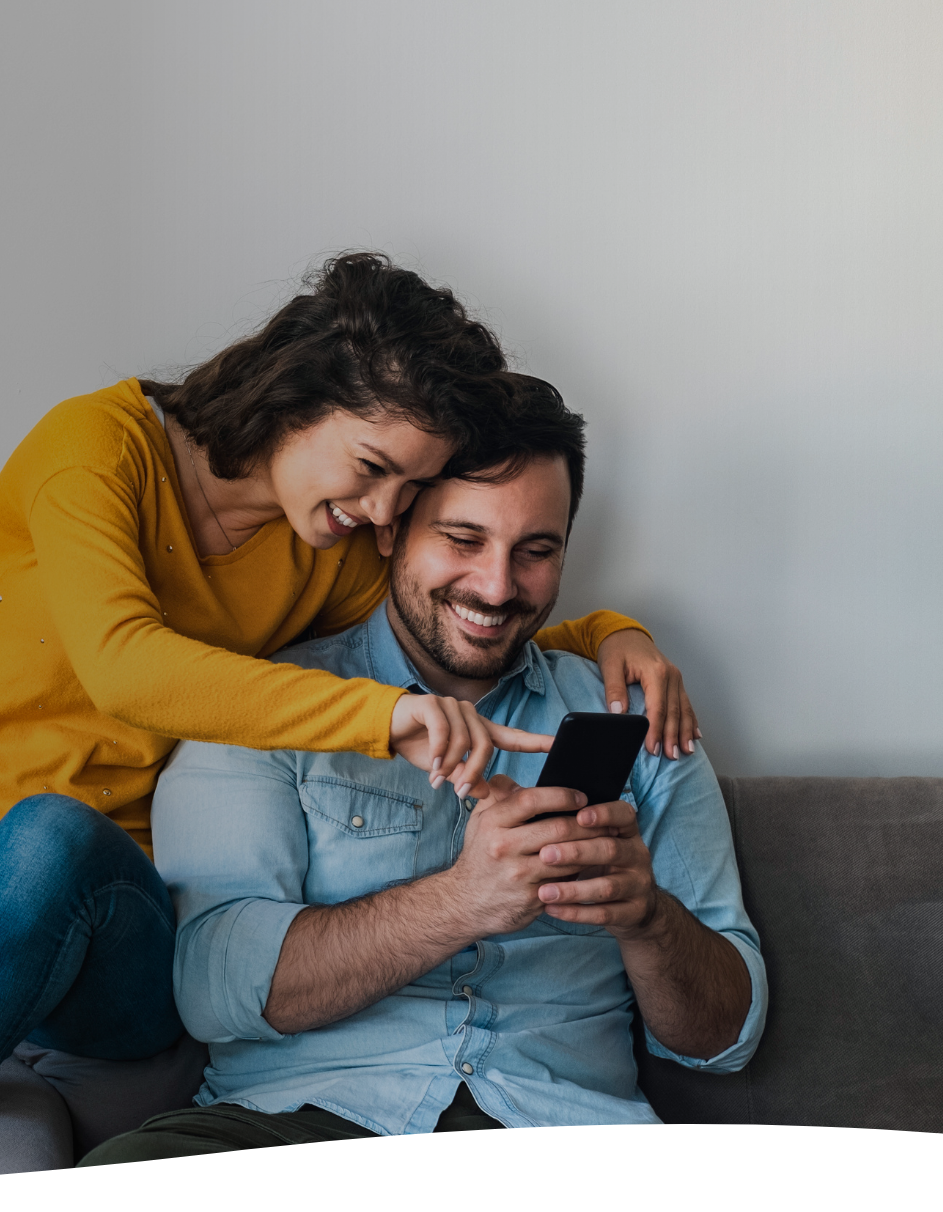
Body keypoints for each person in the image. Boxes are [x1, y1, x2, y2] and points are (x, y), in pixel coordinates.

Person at [0, 254, 699, 1188]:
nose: (384, 511)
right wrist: (385, 717)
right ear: (302, 397)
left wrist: (616, 628)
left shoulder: (329, 549)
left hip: (99, 908)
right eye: (372, 467)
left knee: (45, 838)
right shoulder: (96, 449)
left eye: (407, 489)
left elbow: (472, 605)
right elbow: (126, 664)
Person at [83, 373, 764, 1164]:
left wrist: (646, 918)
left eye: (536, 551)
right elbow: (211, 988)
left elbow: (726, 1039)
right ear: (390, 529)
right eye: (463, 539)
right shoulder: (263, 707)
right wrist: (463, 901)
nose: (497, 586)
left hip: (570, 1142)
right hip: (295, 1131)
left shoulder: (637, 716)